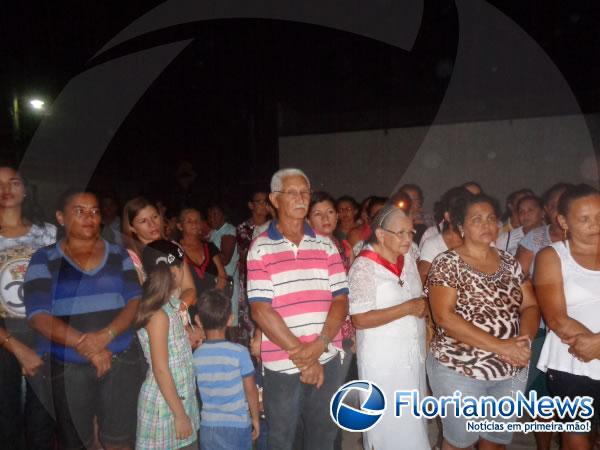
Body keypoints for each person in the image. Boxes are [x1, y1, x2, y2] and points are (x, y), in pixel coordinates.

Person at [24, 189, 144, 450]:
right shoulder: (43, 258)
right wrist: (85, 344)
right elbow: (38, 316)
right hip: (66, 364)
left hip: (120, 358)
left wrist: (105, 337)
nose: (90, 217)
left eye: (95, 211)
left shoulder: (118, 254)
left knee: (119, 439)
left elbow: (135, 301)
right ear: (60, 217)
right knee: (77, 440)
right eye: (79, 211)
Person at [426, 193, 539, 450]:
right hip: (459, 366)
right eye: (476, 219)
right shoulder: (446, 263)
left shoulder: (510, 263)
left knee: (495, 440)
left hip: (510, 367)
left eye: (491, 218)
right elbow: (445, 318)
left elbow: (530, 305)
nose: (487, 224)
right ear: (461, 227)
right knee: (460, 442)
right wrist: (504, 347)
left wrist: (523, 341)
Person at [247, 168, 348, 450]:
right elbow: (261, 311)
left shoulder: (326, 244)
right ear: (274, 199)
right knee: (282, 437)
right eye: (292, 193)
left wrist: (320, 346)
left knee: (323, 434)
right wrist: (306, 358)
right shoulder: (260, 247)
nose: (301, 198)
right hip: (283, 361)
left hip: (327, 355)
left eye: (305, 192)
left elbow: (340, 299)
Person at [349, 205, 429, 450]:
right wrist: (406, 308)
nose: (408, 239)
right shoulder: (364, 267)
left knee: (413, 419)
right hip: (382, 358)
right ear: (381, 235)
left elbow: (418, 298)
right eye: (400, 233)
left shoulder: (409, 257)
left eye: (411, 232)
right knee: (390, 422)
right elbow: (359, 319)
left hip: (412, 354)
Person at [535, 184, 600, 450]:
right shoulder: (552, 256)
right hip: (574, 361)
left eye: (599, 216)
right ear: (563, 221)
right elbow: (557, 319)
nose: (595, 224)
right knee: (577, 436)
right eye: (584, 219)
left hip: (592, 349)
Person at [0, 165, 57, 450]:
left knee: (41, 428)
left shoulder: (48, 235)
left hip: (44, 334)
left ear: (24, 189)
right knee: (6, 427)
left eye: (13, 182)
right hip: (2, 337)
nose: (5, 190)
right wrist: (15, 346)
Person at [134, 240, 200, 450]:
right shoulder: (158, 315)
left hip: (181, 397)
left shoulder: (172, 306)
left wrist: (194, 335)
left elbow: (175, 348)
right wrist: (180, 415)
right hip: (166, 407)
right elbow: (161, 369)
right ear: (175, 271)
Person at [194, 289, 260, 450]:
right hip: (237, 425)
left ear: (198, 321)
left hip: (208, 425)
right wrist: (256, 419)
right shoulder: (240, 352)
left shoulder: (196, 355)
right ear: (230, 319)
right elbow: (250, 389)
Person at [122, 196, 197, 309]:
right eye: (143, 221)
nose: (152, 224)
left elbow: (189, 288)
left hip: (179, 317)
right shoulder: (130, 258)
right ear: (132, 228)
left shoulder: (174, 247)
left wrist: (178, 310)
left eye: (155, 217)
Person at [235, 190, 271, 348]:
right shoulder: (244, 228)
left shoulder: (274, 225)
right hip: (249, 278)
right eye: (259, 201)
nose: (264, 205)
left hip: (271, 276)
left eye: (266, 201)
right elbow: (248, 251)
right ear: (251, 205)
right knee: (250, 317)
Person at [515, 183, 571, 277]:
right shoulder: (534, 238)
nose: (560, 210)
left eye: (564, 205)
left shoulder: (591, 236)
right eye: (554, 206)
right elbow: (517, 278)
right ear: (546, 210)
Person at [417, 187, 469, 283]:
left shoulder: (481, 243)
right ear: (448, 216)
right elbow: (423, 278)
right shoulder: (432, 244)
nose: (466, 219)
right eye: (460, 214)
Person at [177, 208, 228, 294]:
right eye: (189, 221)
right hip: (187, 303)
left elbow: (222, 275)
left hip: (211, 302)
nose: (194, 224)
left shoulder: (209, 247)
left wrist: (212, 297)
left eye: (197, 221)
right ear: (180, 226)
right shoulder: (175, 248)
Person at [207, 204, 240, 326]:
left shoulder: (229, 230)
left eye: (215, 214)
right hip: (219, 283)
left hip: (228, 283)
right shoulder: (213, 232)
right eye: (209, 215)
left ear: (224, 215)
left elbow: (225, 259)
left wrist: (207, 251)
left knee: (229, 321)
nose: (211, 218)